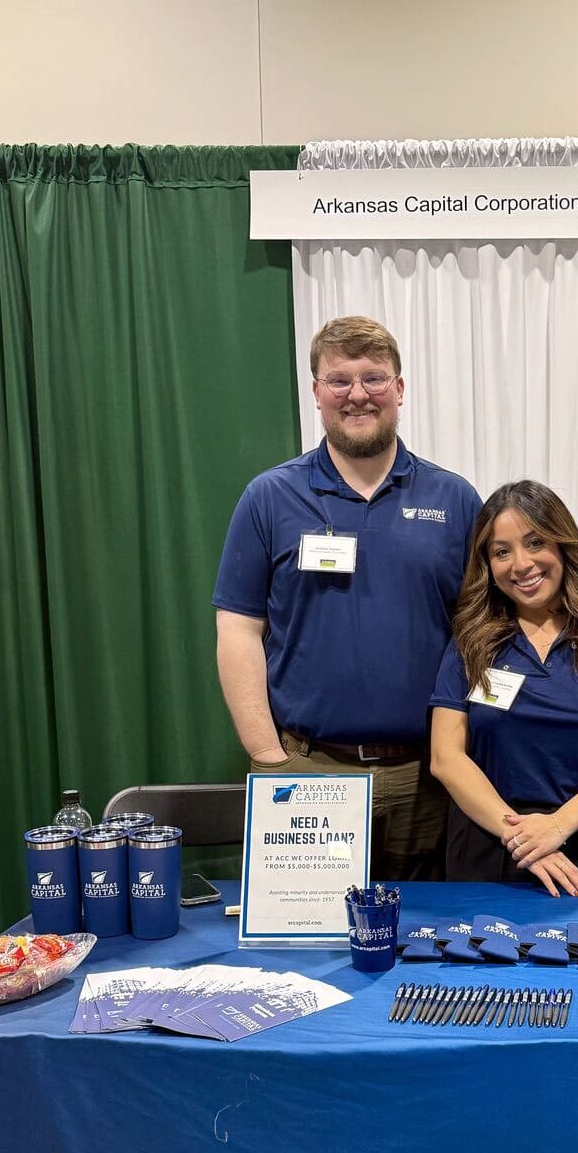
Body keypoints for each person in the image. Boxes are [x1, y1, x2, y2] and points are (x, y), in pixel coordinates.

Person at [213, 315, 481, 879]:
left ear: (400, 389)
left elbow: (480, 632)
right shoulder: (269, 497)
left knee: (424, 944)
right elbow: (238, 630)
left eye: (374, 378)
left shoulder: (454, 499)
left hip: (428, 777)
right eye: (339, 380)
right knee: (306, 951)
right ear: (316, 392)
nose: (357, 394)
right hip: (307, 773)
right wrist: (270, 759)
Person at [429, 480, 578, 898]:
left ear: (562, 545)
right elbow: (446, 758)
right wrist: (524, 838)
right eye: (502, 551)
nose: (520, 564)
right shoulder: (470, 641)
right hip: (490, 847)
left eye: (535, 542)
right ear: (488, 564)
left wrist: (558, 826)